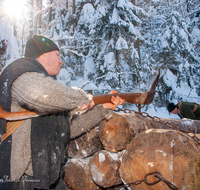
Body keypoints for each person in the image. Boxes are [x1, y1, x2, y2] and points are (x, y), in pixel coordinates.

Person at [0, 35, 125, 190]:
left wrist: (102, 109)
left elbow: (68, 129)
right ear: (43, 54)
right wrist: (85, 99)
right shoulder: (21, 75)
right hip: (24, 180)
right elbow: (42, 93)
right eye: (57, 55)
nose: (61, 61)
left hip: (49, 177)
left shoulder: (53, 91)